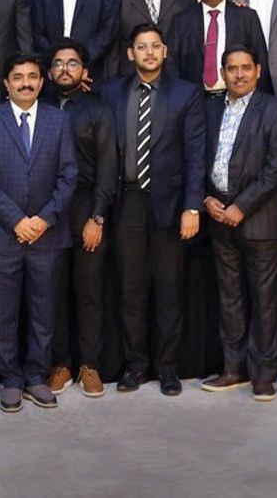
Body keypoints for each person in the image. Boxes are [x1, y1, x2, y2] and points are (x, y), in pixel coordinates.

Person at [0, 53, 76, 412]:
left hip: (48, 236)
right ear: (7, 83)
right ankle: (11, 379)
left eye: (32, 76)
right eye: (18, 77)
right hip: (3, 235)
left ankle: (36, 377)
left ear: (42, 82)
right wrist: (16, 220)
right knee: (2, 313)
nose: (26, 83)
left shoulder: (59, 121)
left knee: (43, 313)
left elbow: (69, 176)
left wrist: (43, 219)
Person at [101, 23, 204, 396]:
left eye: (155, 46)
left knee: (168, 290)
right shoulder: (111, 92)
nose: (148, 52)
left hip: (170, 205)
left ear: (165, 51)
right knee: (131, 289)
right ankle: (135, 366)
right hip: (127, 202)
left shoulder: (186, 93)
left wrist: (192, 206)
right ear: (131, 53)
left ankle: (168, 369)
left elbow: (196, 157)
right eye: (141, 47)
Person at [198, 45, 277, 401]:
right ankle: (233, 368)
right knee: (230, 299)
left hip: (259, 219)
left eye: (245, 68)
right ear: (223, 73)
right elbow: (200, 158)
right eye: (232, 68)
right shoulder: (211, 109)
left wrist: (242, 206)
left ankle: (263, 375)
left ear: (258, 71)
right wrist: (206, 198)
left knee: (266, 300)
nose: (239, 74)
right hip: (218, 217)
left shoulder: (275, 109)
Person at [43, 40, 117, 398]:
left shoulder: (98, 110)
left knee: (89, 292)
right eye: (58, 63)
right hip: (49, 214)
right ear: (49, 72)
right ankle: (61, 364)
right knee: (53, 292)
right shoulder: (39, 108)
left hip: (86, 208)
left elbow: (108, 169)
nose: (65, 69)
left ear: (84, 71)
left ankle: (90, 364)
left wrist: (97, 218)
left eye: (72, 63)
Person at [168, 0, 271, 97]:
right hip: (193, 101)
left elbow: (261, 61)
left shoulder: (246, 16)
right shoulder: (181, 20)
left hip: (239, 99)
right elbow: (172, 65)